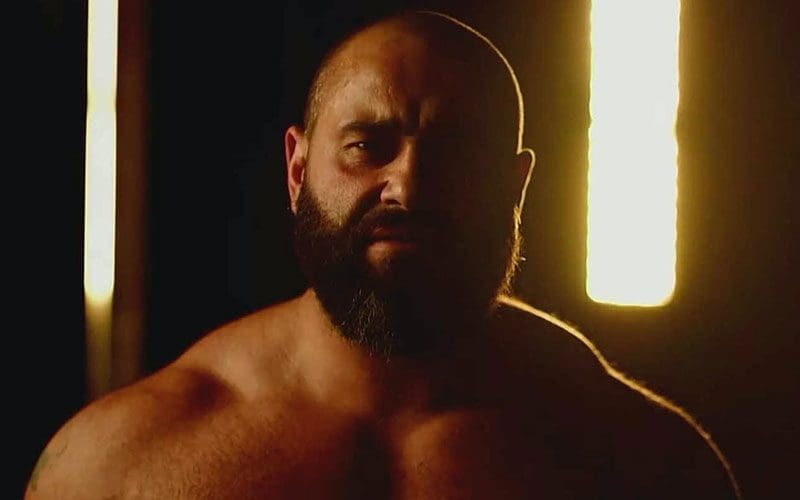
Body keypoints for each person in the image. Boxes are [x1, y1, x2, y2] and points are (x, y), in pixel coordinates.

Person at [27, 10, 741, 499]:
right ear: (297, 171)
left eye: (457, 155)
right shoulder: (123, 465)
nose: (409, 185)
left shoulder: (640, 463)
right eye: (367, 145)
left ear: (515, 187)